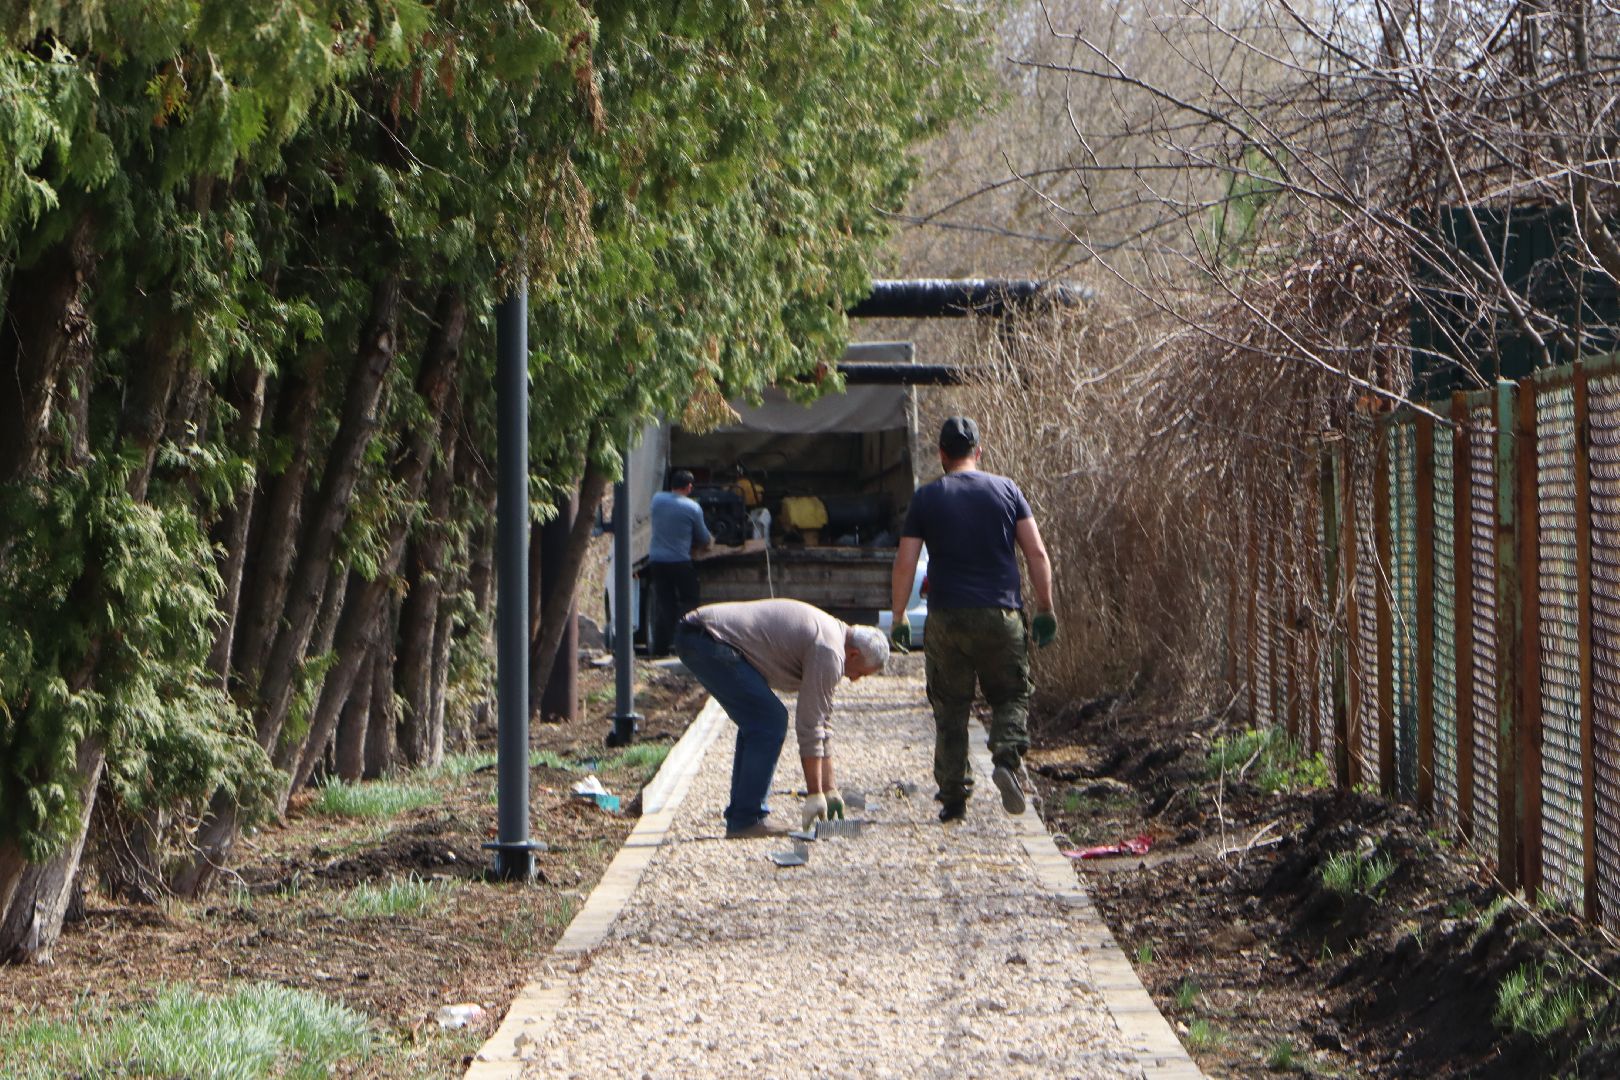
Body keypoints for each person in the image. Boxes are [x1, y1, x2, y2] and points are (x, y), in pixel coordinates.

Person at [889, 416, 1057, 823]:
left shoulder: (927, 498)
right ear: (978, 452)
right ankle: (1005, 758)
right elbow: (1036, 553)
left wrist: (898, 617)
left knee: (950, 708)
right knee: (1010, 695)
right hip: (1000, 613)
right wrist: (1045, 608)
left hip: (946, 616)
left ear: (942, 455)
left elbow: (905, 562)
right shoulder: (1007, 490)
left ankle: (953, 798)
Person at [674, 598, 890, 838]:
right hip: (706, 638)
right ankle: (746, 819)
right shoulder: (830, 651)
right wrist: (814, 794)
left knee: (761, 721)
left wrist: (829, 789)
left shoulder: (834, 638)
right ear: (853, 653)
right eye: (860, 672)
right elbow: (810, 725)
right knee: (769, 721)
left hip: (700, 635)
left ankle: (743, 817)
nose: (855, 679)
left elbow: (823, 721)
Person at [648, 469, 713, 655]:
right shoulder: (692, 508)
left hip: (657, 561)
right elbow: (703, 537)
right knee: (690, 599)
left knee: (664, 603)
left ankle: (661, 648)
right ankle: (682, 639)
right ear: (689, 487)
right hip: (679, 561)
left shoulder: (657, 500)